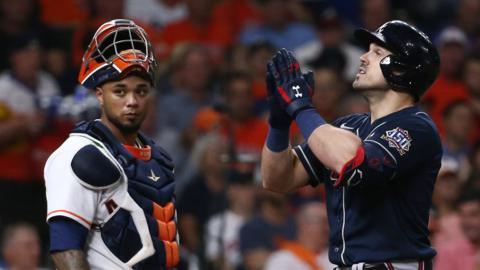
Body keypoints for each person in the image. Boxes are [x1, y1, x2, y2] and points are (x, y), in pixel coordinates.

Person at [261, 20, 442, 270]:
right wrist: (280, 123)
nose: (364, 58)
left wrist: (302, 108)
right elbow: (277, 179)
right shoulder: (348, 126)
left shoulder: (416, 126)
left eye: (377, 52)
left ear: (401, 70)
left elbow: (351, 162)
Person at [44, 19, 179, 269]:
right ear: (99, 95)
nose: (132, 101)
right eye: (120, 91)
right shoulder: (79, 154)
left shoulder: (159, 158)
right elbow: (65, 250)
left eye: (141, 91)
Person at [264, 202, 335, 270]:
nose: (328, 228)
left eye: (329, 223)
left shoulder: (336, 256)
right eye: (323, 222)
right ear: (304, 225)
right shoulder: (282, 259)